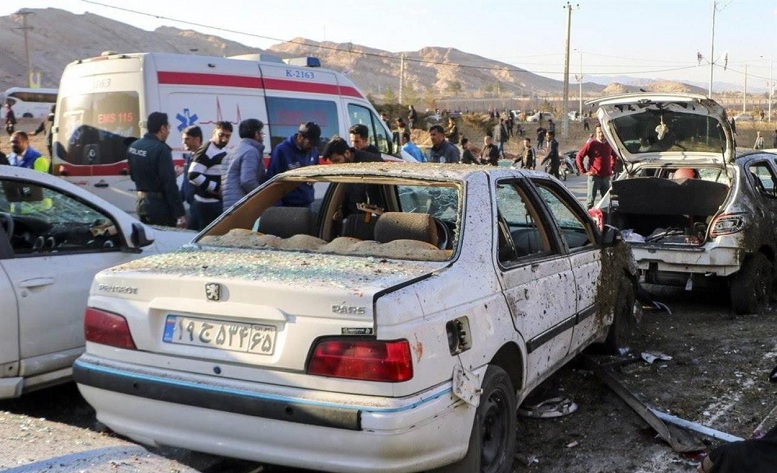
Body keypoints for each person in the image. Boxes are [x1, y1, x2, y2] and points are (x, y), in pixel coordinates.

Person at [127, 112, 186, 228]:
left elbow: (133, 175)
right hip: (159, 206)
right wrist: (180, 213)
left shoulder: (134, 146)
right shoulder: (161, 149)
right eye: (168, 128)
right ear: (162, 128)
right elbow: (169, 185)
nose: (169, 131)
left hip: (141, 203)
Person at [322, 136, 385, 217]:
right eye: (333, 163)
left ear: (347, 153)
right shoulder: (342, 166)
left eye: (337, 161)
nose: (336, 166)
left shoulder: (371, 163)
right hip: (351, 215)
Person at [187, 121, 232, 230]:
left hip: (214, 203)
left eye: (228, 136)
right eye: (221, 135)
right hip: (206, 205)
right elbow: (193, 175)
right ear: (214, 132)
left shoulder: (222, 149)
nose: (224, 139)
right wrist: (217, 188)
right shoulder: (207, 149)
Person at [266, 121, 321, 207]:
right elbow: (271, 180)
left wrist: (315, 178)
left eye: (314, 144)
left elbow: (317, 168)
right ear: (300, 137)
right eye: (309, 143)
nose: (312, 147)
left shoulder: (313, 150)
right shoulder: (281, 150)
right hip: (288, 206)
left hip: (308, 202)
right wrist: (278, 208)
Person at [221, 119, 265, 210]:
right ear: (256, 134)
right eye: (261, 133)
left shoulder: (231, 152)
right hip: (243, 207)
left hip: (229, 206)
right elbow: (247, 181)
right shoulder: (250, 151)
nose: (262, 137)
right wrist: (262, 197)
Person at [576, 124, 618, 209]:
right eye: (599, 132)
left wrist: (612, 168)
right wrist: (583, 170)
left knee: (606, 202)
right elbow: (579, 156)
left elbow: (614, 156)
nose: (601, 134)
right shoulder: (592, 144)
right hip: (594, 177)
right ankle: (588, 220)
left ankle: (604, 220)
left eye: (602, 132)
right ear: (596, 133)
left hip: (606, 177)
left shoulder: (609, 144)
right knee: (590, 202)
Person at [179, 125, 203, 218]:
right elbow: (185, 184)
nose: (183, 142)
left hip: (201, 206)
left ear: (197, 140)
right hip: (192, 207)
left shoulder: (204, 157)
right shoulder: (189, 158)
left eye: (187, 139)